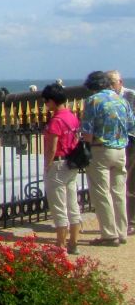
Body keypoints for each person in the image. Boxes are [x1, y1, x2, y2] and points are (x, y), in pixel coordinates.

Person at [80, 70, 135, 246]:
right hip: (120, 149)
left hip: (100, 149)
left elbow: (87, 130)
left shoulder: (93, 100)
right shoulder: (122, 100)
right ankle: (122, 231)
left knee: (102, 193)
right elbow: (131, 125)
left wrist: (85, 148)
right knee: (119, 192)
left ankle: (109, 235)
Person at [41, 85, 81, 254]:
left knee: (58, 205)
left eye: (46, 102)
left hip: (58, 163)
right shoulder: (72, 116)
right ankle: (74, 242)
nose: (46, 105)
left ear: (52, 101)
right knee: (72, 204)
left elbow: (52, 147)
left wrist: (47, 165)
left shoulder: (56, 120)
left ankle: (60, 244)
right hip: (71, 163)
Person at [106, 70, 135, 237]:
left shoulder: (130, 95)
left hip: (130, 140)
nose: (111, 86)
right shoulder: (106, 98)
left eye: (113, 82)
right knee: (116, 183)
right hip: (114, 143)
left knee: (129, 180)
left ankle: (131, 221)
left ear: (120, 82)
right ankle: (119, 222)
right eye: (108, 83)